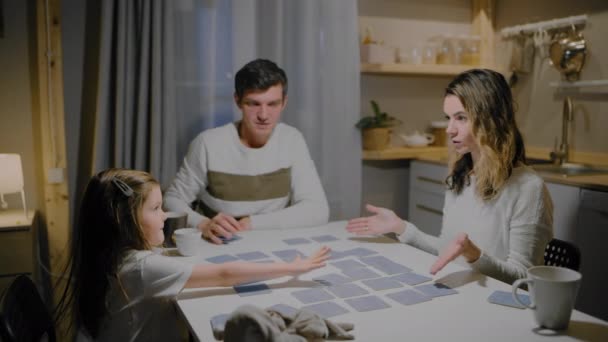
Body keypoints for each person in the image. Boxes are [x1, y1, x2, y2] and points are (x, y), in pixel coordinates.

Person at [55, 168, 330, 341]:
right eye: (156, 208)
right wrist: (292, 267)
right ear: (124, 220)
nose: (164, 215)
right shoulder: (140, 268)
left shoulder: (113, 255)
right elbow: (224, 274)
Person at [346, 69, 553, 285]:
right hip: (462, 291)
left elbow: (525, 279)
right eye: (448, 118)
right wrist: (400, 227)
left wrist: (474, 255)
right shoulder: (460, 177)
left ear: (490, 120)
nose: (449, 129)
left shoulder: (529, 188)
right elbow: (446, 250)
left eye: (461, 118)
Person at [164, 58, 329, 244]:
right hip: (218, 244)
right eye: (254, 104)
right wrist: (203, 224)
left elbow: (318, 210)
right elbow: (172, 200)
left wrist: (252, 224)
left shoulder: (292, 140)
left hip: (272, 243)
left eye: (272, 104)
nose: (264, 116)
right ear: (238, 101)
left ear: (284, 102)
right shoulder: (208, 143)